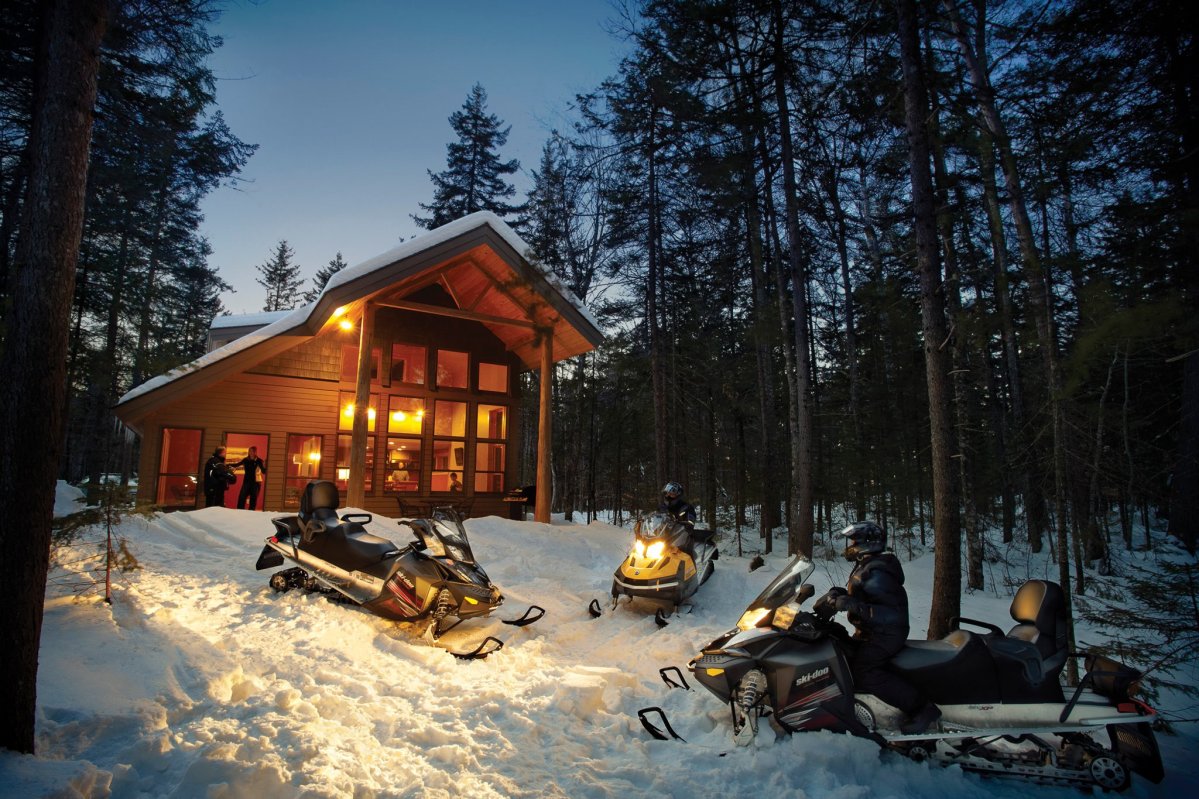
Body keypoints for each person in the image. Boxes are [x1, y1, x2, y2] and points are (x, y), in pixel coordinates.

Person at [814, 521, 940, 734]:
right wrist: (839, 595)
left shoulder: (878, 570)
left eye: (854, 541)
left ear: (867, 543)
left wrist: (853, 604)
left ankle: (921, 709)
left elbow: (890, 613)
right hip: (871, 632)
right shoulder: (869, 565)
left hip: (886, 634)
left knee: (864, 671)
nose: (850, 545)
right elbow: (865, 596)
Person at [234, 446, 267, 510]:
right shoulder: (245, 460)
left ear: (255, 452)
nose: (251, 452)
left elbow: (263, 471)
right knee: (241, 498)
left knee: (253, 499)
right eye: (249, 451)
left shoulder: (259, 461)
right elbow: (237, 464)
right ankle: (239, 512)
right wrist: (228, 465)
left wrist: (265, 465)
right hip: (246, 482)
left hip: (255, 483)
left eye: (252, 451)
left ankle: (251, 513)